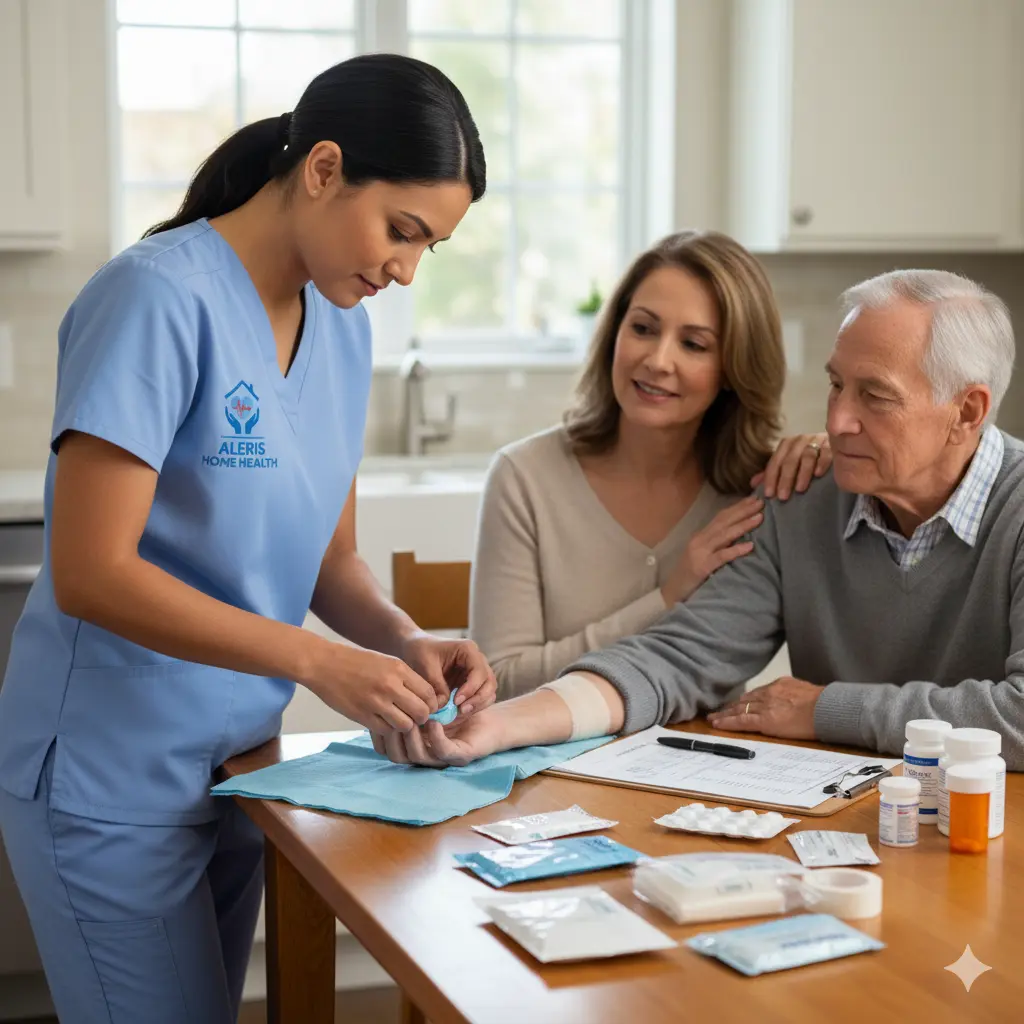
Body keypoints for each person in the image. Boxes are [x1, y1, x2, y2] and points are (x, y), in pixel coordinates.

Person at [0, 54, 495, 1024]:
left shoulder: (343, 326)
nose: (404, 269)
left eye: (428, 247)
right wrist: (320, 661)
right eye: (400, 230)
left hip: (236, 769)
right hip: (110, 773)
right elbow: (92, 571)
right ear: (322, 168)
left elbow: (330, 561)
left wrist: (403, 640)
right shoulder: (154, 298)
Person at [377, 268, 1024, 771]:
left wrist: (828, 709)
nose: (836, 420)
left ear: (967, 412)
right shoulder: (801, 498)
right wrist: (500, 726)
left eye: (874, 396)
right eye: (835, 385)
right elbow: (677, 658)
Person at [469, 230, 831, 698]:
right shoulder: (524, 479)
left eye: (694, 344)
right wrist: (667, 597)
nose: (658, 361)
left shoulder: (762, 488)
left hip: (706, 745)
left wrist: (833, 456)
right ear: (614, 334)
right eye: (643, 328)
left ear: (733, 368)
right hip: (553, 745)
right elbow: (498, 684)